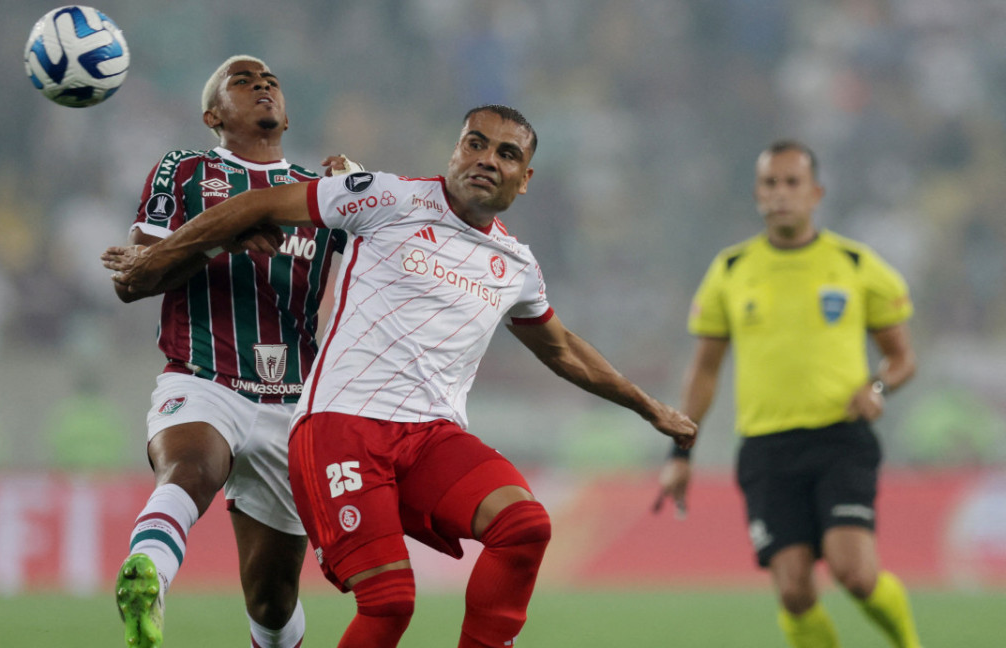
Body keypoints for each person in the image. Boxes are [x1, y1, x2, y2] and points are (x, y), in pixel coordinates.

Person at [105, 104, 697, 647]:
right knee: (389, 602)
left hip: (430, 437)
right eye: (476, 143)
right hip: (340, 427)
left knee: (524, 526)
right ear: (455, 151)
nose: (488, 159)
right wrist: (155, 257)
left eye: (507, 153)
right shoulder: (386, 196)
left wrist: (651, 409)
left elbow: (563, 349)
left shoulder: (517, 266)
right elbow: (260, 204)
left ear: (526, 178)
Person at [111, 54, 356, 648]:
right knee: (191, 470)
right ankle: (148, 580)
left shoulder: (320, 195)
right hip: (203, 377)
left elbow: (384, 278)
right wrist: (226, 231)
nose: (263, 85)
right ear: (212, 114)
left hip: (289, 404)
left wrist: (360, 197)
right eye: (242, 82)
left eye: (270, 80)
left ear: (288, 113)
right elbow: (134, 279)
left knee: (272, 601)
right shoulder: (187, 169)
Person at [653, 140, 923, 648]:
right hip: (766, 447)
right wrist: (680, 450)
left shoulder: (855, 264)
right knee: (795, 592)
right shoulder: (730, 271)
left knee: (856, 574)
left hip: (840, 438)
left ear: (816, 192)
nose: (781, 194)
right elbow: (705, 371)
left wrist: (878, 387)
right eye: (770, 184)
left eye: (792, 183)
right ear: (757, 193)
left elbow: (902, 358)